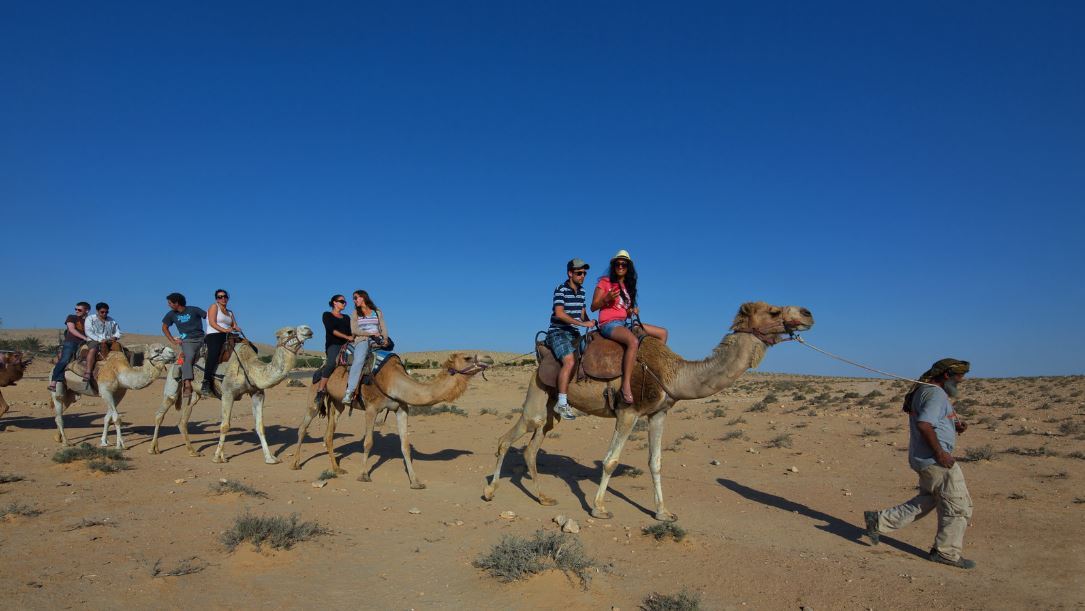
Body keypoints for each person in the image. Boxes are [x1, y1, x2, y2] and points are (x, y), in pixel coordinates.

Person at [865, 358, 976, 569]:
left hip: (923, 457)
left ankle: (878, 521)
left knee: (928, 499)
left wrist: (955, 426)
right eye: (959, 377)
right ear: (947, 375)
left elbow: (931, 420)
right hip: (935, 460)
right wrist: (940, 453)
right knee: (958, 506)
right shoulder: (935, 394)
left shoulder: (926, 390)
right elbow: (925, 424)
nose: (962, 381)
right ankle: (947, 552)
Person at [590, 250, 668, 404]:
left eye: (623, 264)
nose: (620, 266)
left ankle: (651, 373)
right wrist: (606, 299)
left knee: (662, 333)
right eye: (617, 263)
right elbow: (593, 307)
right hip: (609, 323)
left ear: (628, 267)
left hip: (625, 322)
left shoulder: (628, 287)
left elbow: (625, 311)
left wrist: (631, 311)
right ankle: (626, 385)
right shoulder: (604, 282)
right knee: (633, 342)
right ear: (613, 266)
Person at [546, 258, 596, 420]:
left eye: (584, 273)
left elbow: (582, 313)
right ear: (570, 273)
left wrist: (591, 322)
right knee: (569, 361)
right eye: (579, 273)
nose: (582, 276)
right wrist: (582, 323)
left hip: (574, 333)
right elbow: (559, 313)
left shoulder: (582, 291)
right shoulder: (560, 290)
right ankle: (561, 403)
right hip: (558, 332)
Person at [343, 290, 389, 402]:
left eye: (355, 297)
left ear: (363, 297)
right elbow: (354, 330)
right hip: (362, 339)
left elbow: (383, 326)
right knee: (358, 360)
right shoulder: (355, 313)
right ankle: (350, 391)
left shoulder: (377, 312)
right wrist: (370, 334)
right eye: (353, 298)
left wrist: (385, 339)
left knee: (391, 358)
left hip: (377, 340)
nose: (354, 300)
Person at [161, 293, 207, 398]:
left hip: (203, 339)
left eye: (170, 303)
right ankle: (187, 384)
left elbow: (209, 317)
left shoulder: (194, 310)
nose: (169, 305)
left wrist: (210, 331)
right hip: (188, 341)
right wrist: (172, 340)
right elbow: (164, 327)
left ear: (177, 303)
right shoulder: (171, 315)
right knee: (188, 357)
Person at [201, 289, 242, 397]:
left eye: (224, 296)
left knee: (249, 347)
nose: (223, 298)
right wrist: (224, 330)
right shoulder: (214, 307)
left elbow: (233, 325)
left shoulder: (230, 312)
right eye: (220, 297)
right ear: (216, 299)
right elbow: (212, 323)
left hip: (228, 335)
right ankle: (206, 382)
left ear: (227, 298)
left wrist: (237, 328)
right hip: (214, 335)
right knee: (213, 355)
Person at [313, 294, 353, 400]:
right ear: (334, 302)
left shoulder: (347, 317)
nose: (344, 303)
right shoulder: (327, 315)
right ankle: (320, 389)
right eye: (342, 301)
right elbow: (331, 330)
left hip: (347, 345)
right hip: (334, 344)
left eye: (345, 302)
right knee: (331, 363)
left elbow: (351, 331)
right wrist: (347, 337)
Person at [49, 301, 91, 392]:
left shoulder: (90, 321)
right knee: (65, 359)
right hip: (71, 342)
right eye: (75, 309)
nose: (77, 311)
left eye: (79, 309)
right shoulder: (72, 317)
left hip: (85, 343)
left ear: (87, 310)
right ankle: (54, 382)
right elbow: (72, 329)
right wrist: (85, 338)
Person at [83, 302, 122, 388]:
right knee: (93, 349)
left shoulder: (111, 320)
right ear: (97, 311)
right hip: (94, 340)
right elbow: (88, 331)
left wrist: (115, 337)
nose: (104, 314)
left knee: (120, 349)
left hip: (109, 341)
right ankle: (88, 372)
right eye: (102, 312)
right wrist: (100, 340)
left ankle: (122, 371)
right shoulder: (90, 319)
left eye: (106, 312)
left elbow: (118, 331)